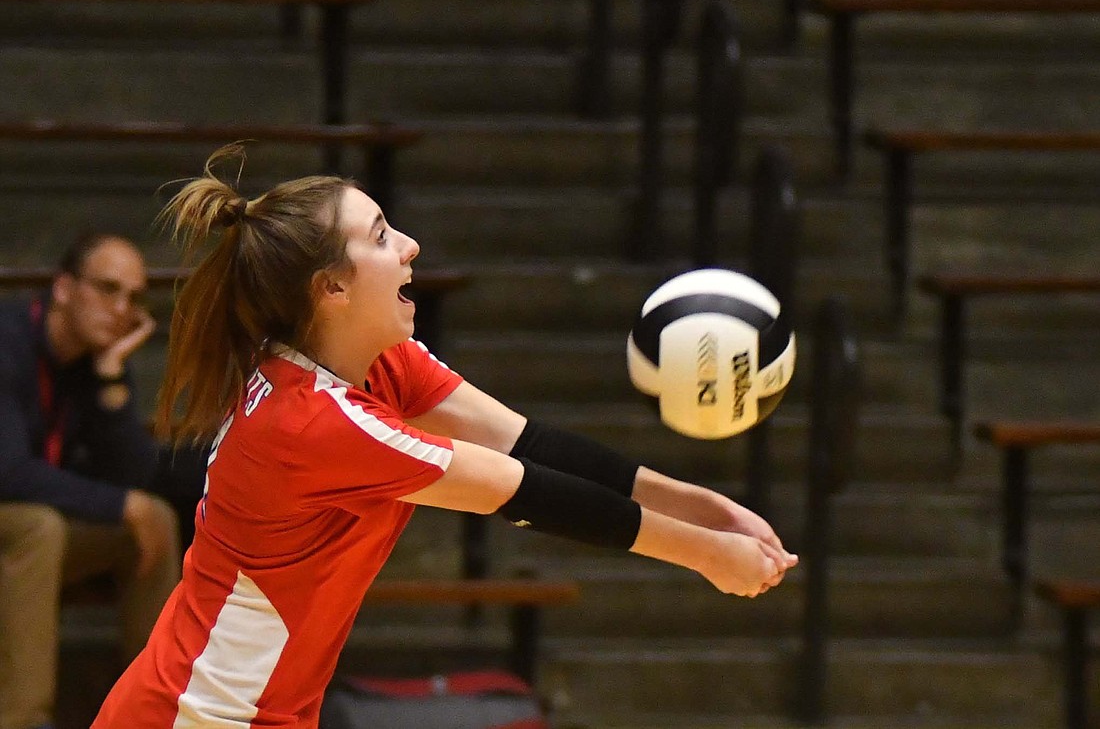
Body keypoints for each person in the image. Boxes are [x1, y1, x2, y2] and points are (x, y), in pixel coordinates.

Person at [92, 144, 799, 729]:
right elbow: (525, 491)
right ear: (329, 289)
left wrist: (703, 505)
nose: (409, 246)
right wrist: (708, 554)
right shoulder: (313, 421)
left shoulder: (380, 364)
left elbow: (531, 445)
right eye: (379, 237)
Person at [0, 233, 182, 729]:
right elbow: (8, 471)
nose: (121, 309)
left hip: (34, 535)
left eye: (134, 298)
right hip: (21, 524)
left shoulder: (96, 361)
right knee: (41, 526)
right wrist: (124, 504)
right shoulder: (8, 341)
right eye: (107, 289)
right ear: (63, 288)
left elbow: (134, 475)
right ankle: (23, 719)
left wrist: (110, 378)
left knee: (156, 519)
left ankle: (159, 710)